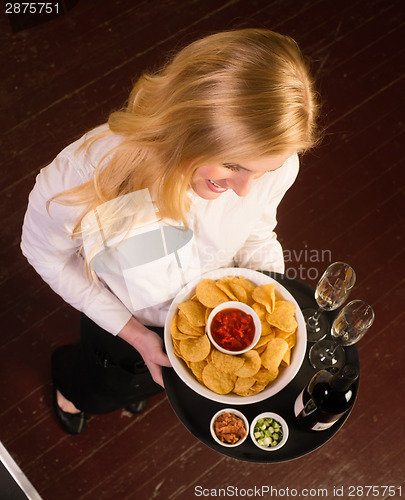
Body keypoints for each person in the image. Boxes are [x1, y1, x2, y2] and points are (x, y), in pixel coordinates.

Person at [21, 28, 320, 435]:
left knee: (141, 385)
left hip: (203, 329)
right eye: (233, 165)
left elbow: (257, 233)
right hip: (123, 322)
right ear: (190, 122)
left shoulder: (276, 162)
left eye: (263, 171)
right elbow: (45, 257)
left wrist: (272, 301)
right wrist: (137, 337)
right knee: (100, 384)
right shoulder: (82, 180)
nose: (246, 189)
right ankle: (72, 394)